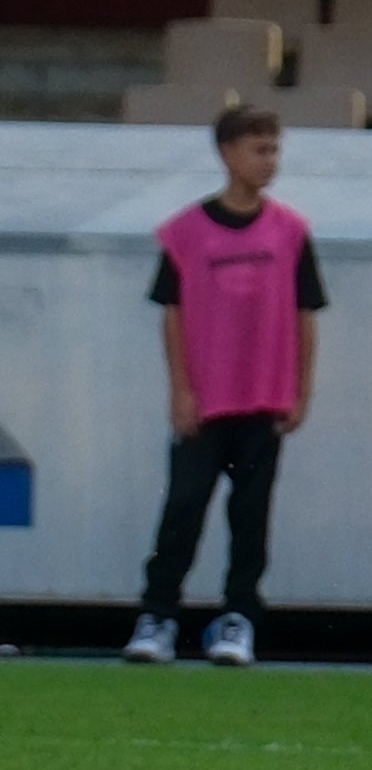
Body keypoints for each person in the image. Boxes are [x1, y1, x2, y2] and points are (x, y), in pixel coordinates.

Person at [122, 107, 326, 669]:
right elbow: (172, 312)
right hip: (206, 400)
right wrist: (180, 390)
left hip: (263, 397)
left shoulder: (290, 231)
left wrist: (301, 391)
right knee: (183, 506)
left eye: (275, 150)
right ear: (227, 153)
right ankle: (158, 615)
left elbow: (306, 313)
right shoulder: (186, 232)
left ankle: (238, 618)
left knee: (251, 514)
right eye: (259, 149)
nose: (270, 162)